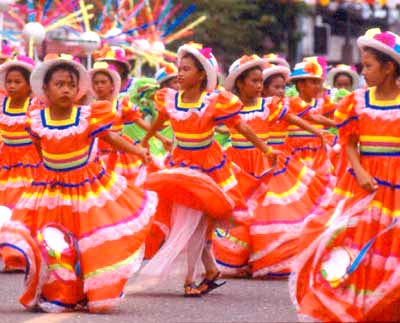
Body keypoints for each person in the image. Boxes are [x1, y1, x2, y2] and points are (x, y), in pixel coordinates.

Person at [0, 54, 157, 313]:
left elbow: (110, 137)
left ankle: (87, 289)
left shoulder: (87, 116)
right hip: (51, 189)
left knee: (85, 241)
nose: (66, 90)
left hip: (85, 189)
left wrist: (138, 151)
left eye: (71, 85)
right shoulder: (37, 119)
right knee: (52, 243)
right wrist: (48, 174)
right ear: (46, 90)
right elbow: (40, 148)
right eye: (59, 84)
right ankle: (58, 291)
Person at [136, 42, 276, 297]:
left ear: (201, 75)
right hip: (180, 166)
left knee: (195, 222)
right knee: (187, 221)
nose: (180, 73)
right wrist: (142, 145)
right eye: (180, 68)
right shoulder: (170, 99)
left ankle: (193, 278)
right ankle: (208, 269)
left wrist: (265, 149)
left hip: (207, 168)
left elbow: (240, 126)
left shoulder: (212, 102)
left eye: (187, 69)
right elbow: (158, 123)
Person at [292, 28, 400, 323]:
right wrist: (360, 170)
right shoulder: (358, 101)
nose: (363, 72)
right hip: (365, 185)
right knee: (353, 247)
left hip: (396, 188)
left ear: (389, 67)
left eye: (368, 66)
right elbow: (349, 141)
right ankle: (354, 306)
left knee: (389, 250)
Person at [0, 55, 41, 272]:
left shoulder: (33, 107)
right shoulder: (1, 104)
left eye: (17, 82)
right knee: (4, 209)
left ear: (28, 86)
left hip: (29, 165)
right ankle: (10, 252)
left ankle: (19, 253)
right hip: (6, 163)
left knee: (22, 209)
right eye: (9, 82)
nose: (12, 86)